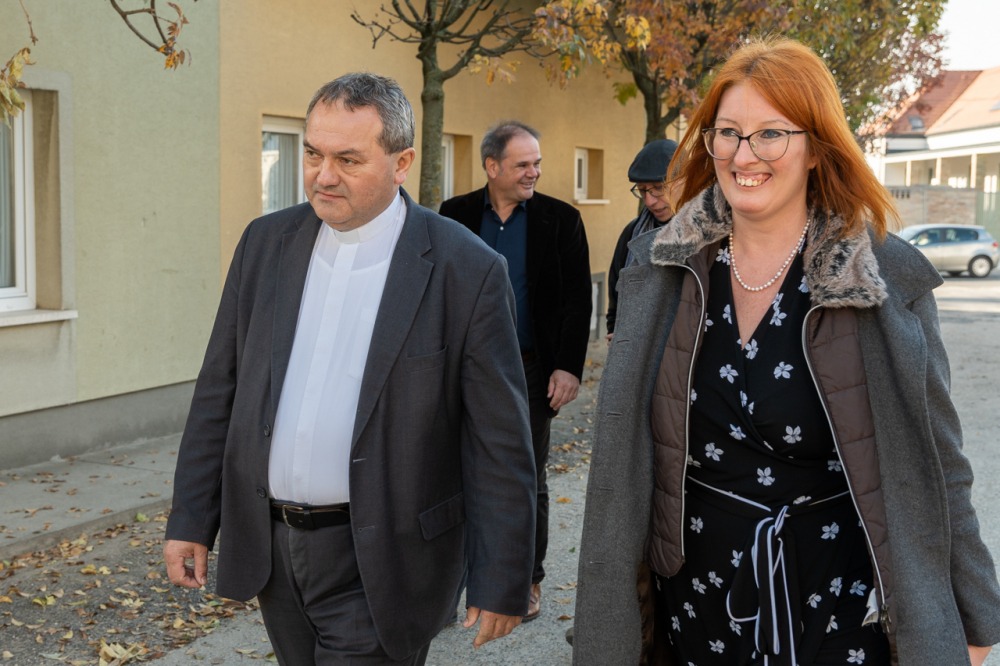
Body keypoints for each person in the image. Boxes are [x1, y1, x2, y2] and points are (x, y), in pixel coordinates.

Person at [574, 36, 1000, 666]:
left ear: (817, 148)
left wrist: (975, 612)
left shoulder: (879, 279)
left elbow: (937, 461)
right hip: (694, 596)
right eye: (728, 133)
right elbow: (621, 460)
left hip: (835, 597)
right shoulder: (661, 268)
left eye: (771, 134)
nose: (744, 155)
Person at [162, 73, 537, 665]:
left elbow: (499, 440)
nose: (323, 175)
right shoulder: (265, 243)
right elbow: (220, 389)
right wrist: (191, 516)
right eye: (313, 153)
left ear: (402, 162)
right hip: (273, 552)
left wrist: (503, 574)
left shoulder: (466, 269)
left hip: (386, 560)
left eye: (348, 159)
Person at [439, 121, 592, 622]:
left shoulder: (561, 220)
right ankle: (454, 585)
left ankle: (527, 579)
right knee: (455, 475)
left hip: (530, 370)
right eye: (523, 164)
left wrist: (567, 367)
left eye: (537, 163)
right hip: (464, 370)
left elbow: (578, 300)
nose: (534, 172)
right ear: (492, 166)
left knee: (526, 476)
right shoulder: (454, 215)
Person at [606, 139, 678, 341]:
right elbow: (616, 296)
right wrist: (617, 334)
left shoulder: (709, 235)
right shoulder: (632, 233)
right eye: (642, 190)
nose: (649, 201)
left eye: (658, 188)